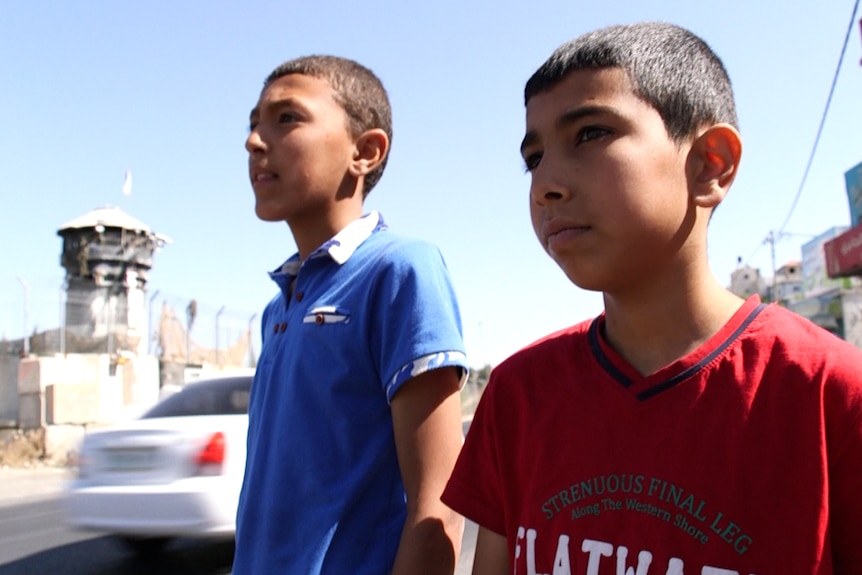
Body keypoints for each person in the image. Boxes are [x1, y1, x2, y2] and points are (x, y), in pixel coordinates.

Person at [443, 22, 862, 574]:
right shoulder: (517, 394)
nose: (545, 183)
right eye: (534, 157)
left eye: (591, 133)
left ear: (711, 164)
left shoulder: (832, 394)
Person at [233, 55, 468, 575]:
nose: (254, 140)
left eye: (286, 118)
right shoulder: (281, 301)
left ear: (365, 151)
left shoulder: (400, 270)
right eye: (252, 124)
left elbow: (439, 508)